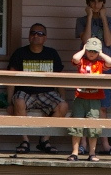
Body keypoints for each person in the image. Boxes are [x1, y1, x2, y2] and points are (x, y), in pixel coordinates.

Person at [6, 22, 68, 155]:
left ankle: (44, 140)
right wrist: (8, 102)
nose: (36, 36)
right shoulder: (20, 53)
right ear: (29, 36)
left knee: (63, 106)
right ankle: (25, 141)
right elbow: (10, 78)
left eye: (40, 33)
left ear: (45, 38)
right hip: (25, 92)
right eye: (33, 33)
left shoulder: (51, 53)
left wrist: (63, 98)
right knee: (18, 102)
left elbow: (60, 79)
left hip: (46, 92)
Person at [75, 0, 111, 156]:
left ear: (103, 3)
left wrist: (104, 18)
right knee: (84, 104)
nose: (96, 5)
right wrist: (90, 18)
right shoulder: (81, 20)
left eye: (99, 2)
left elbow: (108, 41)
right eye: (92, 2)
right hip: (85, 66)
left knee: (103, 106)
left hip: (104, 66)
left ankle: (105, 144)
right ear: (88, 4)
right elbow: (85, 41)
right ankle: (83, 144)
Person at [67, 38, 111, 162]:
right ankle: (75, 152)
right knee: (77, 126)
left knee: (93, 127)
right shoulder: (81, 61)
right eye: (89, 50)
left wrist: (101, 53)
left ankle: (92, 153)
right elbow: (75, 59)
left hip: (94, 99)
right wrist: (83, 49)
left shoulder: (99, 64)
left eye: (94, 51)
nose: (92, 53)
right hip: (80, 98)